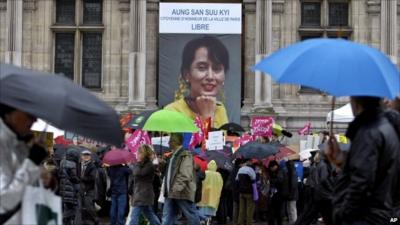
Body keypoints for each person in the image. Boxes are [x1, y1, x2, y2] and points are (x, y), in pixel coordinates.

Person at [327, 96, 400, 225]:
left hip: (364, 216)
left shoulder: (369, 131)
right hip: (379, 213)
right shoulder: (385, 128)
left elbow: (362, 181)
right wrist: (342, 161)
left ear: (356, 102)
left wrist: (343, 213)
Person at [165, 36, 229, 128]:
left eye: (217, 69)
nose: (210, 76)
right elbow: (206, 143)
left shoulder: (220, 109)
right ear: (186, 74)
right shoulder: (171, 113)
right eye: (202, 68)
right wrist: (207, 118)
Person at [0, 104, 48, 224]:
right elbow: (5, 201)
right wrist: (32, 161)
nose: (35, 120)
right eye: (29, 114)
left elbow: (24, 181)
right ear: (9, 111)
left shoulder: (16, 142)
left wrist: (47, 181)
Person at [161, 133, 200, 225]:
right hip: (171, 192)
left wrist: (176, 189)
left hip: (181, 192)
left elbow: (184, 175)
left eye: (170, 141)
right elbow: (168, 174)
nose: (168, 143)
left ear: (175, 142)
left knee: (191, 215)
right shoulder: (172, 156)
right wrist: (162, 164)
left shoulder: (185, 155)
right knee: (167, 217)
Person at [128, 144, 161, 225]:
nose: (137, 154)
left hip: (143, 194)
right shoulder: (142, 165)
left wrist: (137, 163)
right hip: (140, 194)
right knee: (150, 215)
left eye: (139, 153)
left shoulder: (150, 165)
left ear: (143, 154)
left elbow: (138, 173)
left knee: (134, 216)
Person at [59, 147, 81, 225]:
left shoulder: (62, 162)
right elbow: (74, 178)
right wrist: (79, 181)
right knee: (73, 209)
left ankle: (65, 222)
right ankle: (63, 221)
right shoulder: (71, 164)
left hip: (64, 190)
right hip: (71, 191)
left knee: (67, 208)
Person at [79, 149, 99, 225]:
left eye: (87, 155)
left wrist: (81, 177)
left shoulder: (92, 166)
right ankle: (83, 221)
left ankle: (96, 219)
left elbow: (92, 178)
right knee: (80, 206)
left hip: (89, 189)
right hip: (81, 188)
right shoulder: (80, 164)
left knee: (89, 206)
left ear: (90, 157)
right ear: (82, 156)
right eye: (84, 155)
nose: (86, 156)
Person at [236, 159, 257, 225]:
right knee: (249, 209)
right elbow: (254, 179)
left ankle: (240, 223)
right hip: (249, 192)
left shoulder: (240, 169)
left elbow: (236, 179)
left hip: (241, 192)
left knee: (241, 210)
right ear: (248, 162)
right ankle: (248, 223)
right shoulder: (250, 170)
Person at [268, 160, 284, 225]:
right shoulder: (272, 172)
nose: (271, 169)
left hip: (279, 195)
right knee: (271, 211)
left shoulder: (280, 171)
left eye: (272, 167)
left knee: (278, 212)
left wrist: (271, 180)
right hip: (272, 195)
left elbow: (280, 180)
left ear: (275, 166)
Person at [282, 160, 298, 225]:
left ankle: (294, 223)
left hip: (292, 194)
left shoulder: (292, 173)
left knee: (292, 209)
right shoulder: (291, 172)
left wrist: (290, 193)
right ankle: (291, 222)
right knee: (290, 209)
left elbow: (293, 185)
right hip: (290, 194)